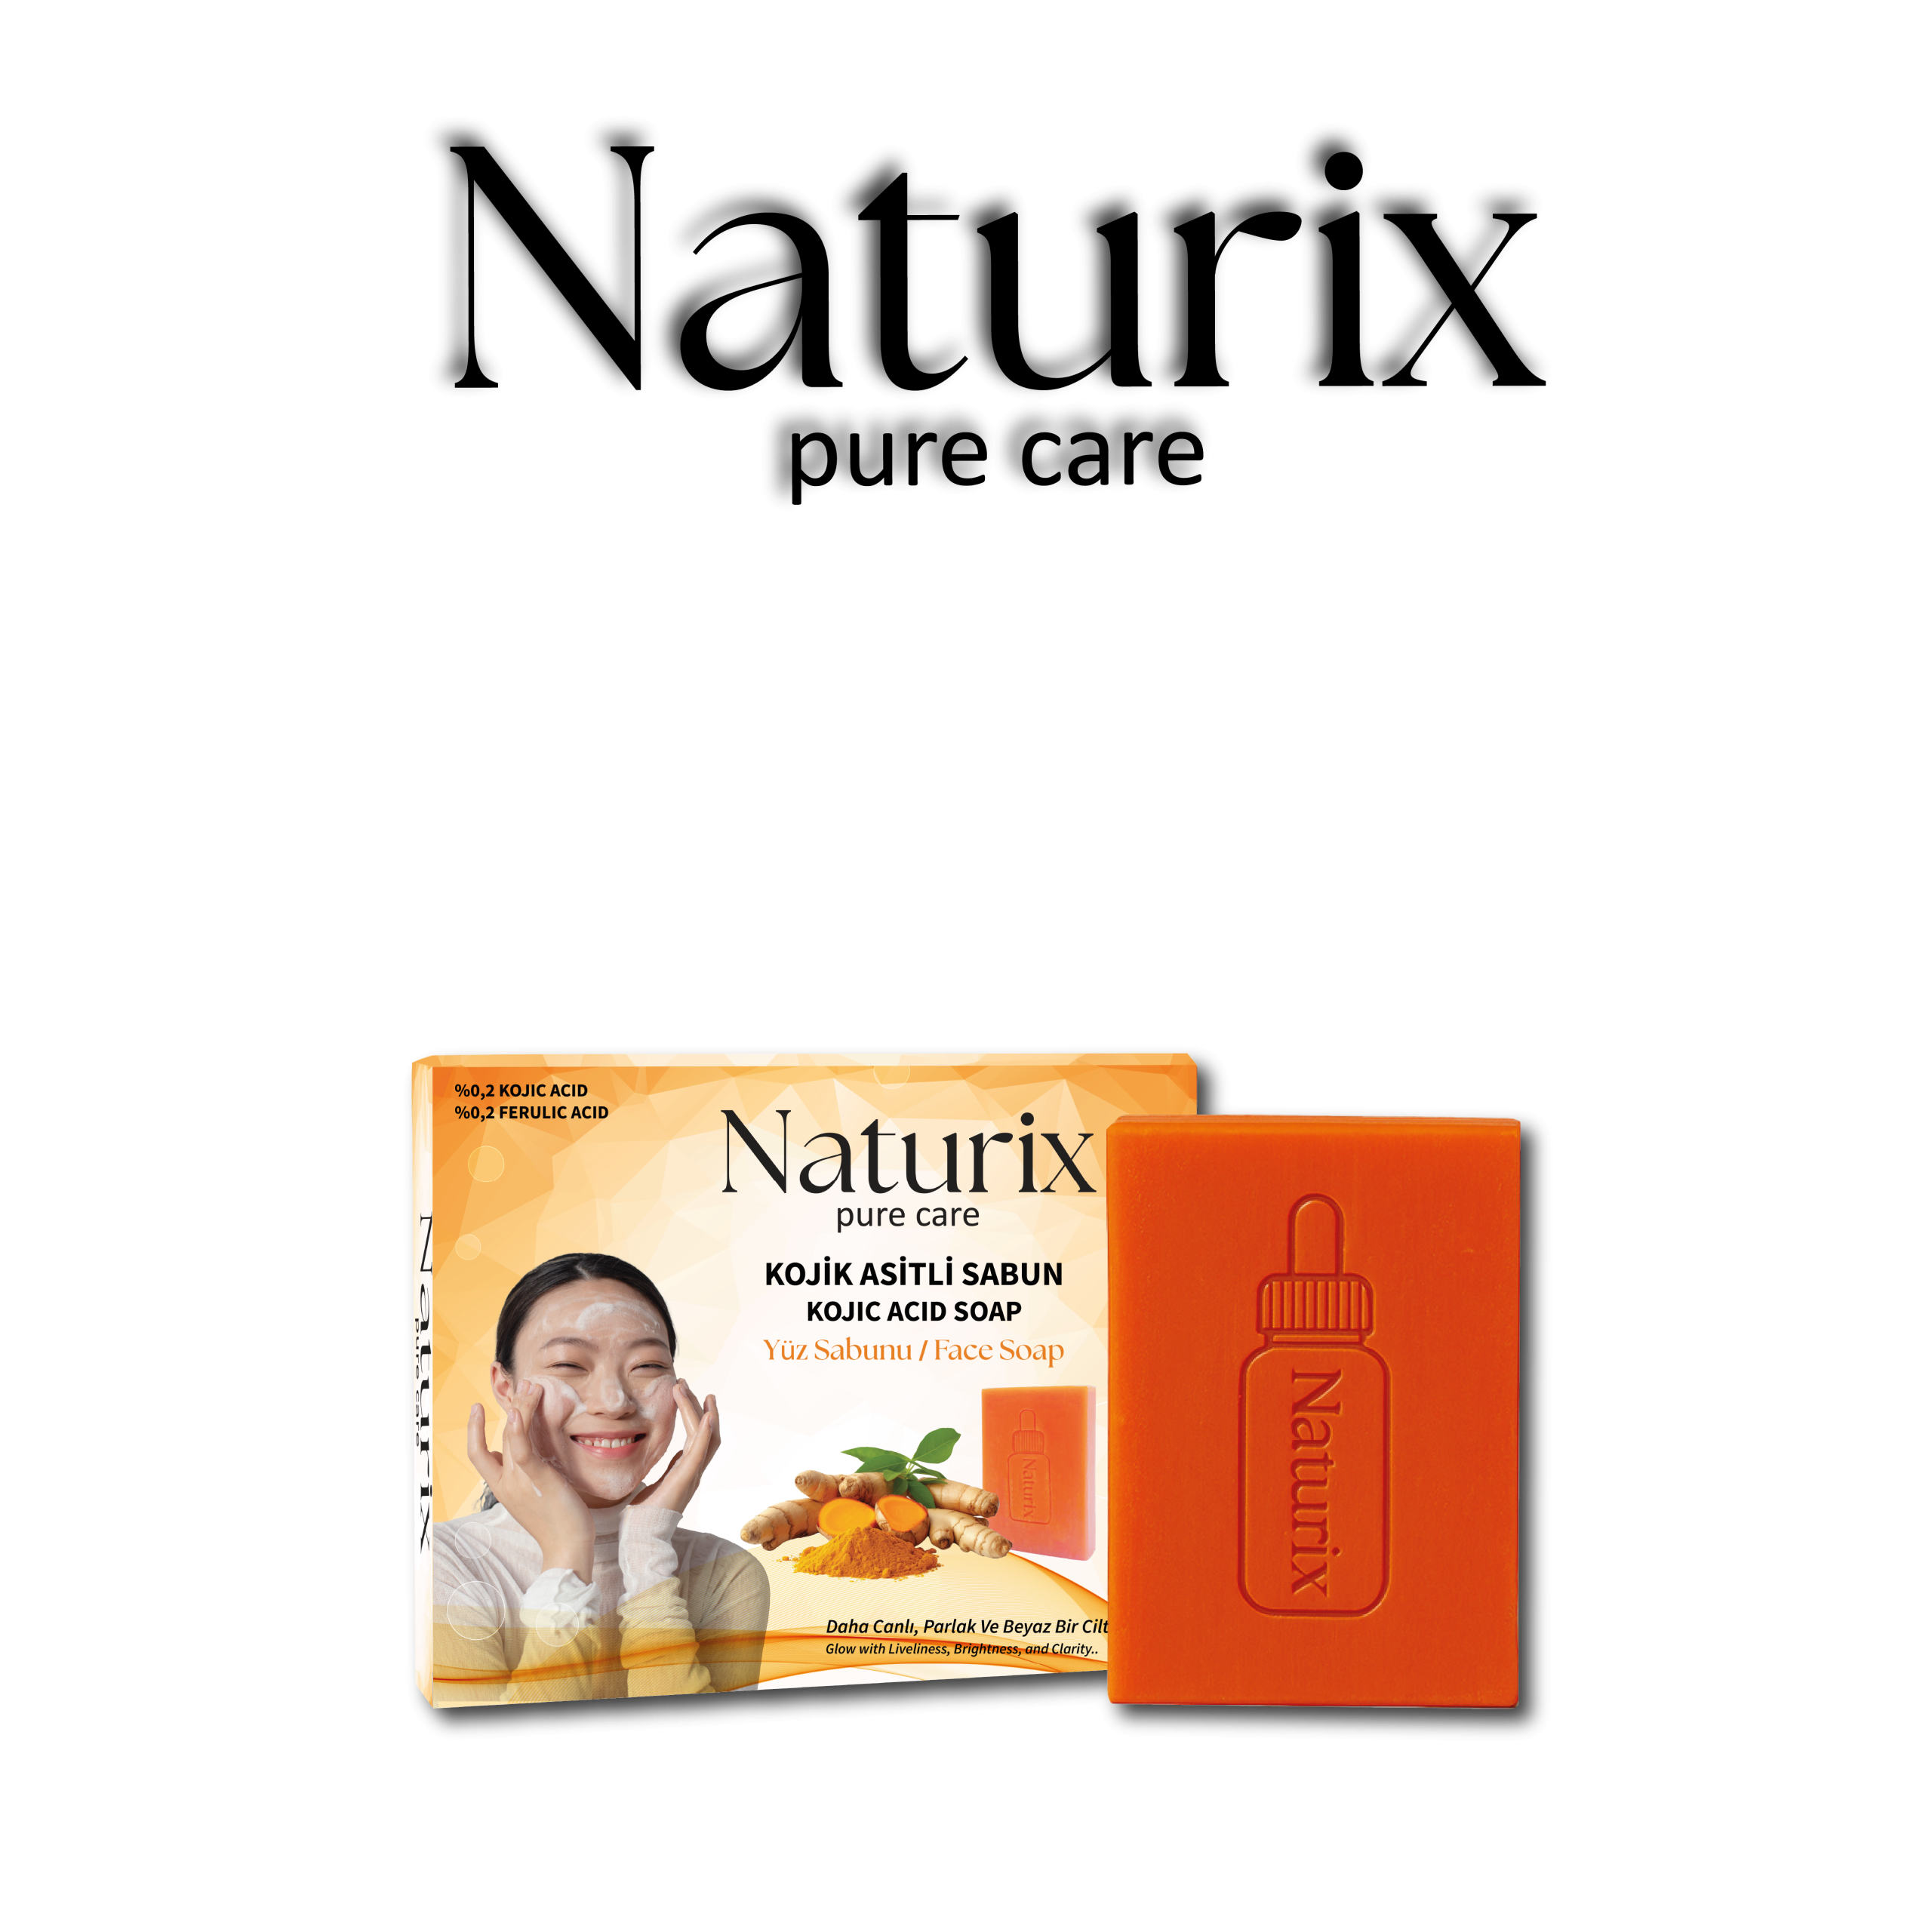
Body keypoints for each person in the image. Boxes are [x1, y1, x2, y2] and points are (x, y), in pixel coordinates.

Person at [432, 1254, 768, 1701]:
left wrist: (646, 1552)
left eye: (647, 1366)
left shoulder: (723, 1574)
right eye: (569, 1365)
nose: (614, 1402)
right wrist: (567, 1554)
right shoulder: (441, 1565)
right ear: (506, 1388)